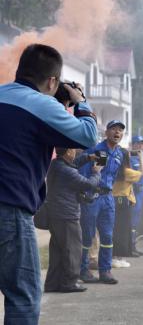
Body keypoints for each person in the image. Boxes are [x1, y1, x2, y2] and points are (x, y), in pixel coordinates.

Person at [0, 44, 97, 324]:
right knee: (23, 296)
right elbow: (87, 136)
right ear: (52, 81)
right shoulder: (41, 105)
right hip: (10, 211)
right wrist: (81, 103)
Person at [44, 148, 101, 293]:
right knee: (73, 250)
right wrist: (97, 172)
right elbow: (89, 184)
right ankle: (70, 283)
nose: (76, 153)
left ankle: (52, 283)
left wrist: (88, 157)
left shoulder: (56, 164)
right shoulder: (67, 171)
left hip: (56, 214)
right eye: (74, 150)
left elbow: (74, 163)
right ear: (68, 152)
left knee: (57, 251)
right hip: (67, 215)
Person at [78, 120, 126, 285]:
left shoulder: (119, 153)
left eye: (120, 130)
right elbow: (85, 174)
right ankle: (83, 270)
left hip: (108, 198)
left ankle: (105, 271)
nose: (117, 132)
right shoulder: (98, 151)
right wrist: (85, 194)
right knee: (88, 235)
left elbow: (112, 176)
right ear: (106, 133)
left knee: (107, 235)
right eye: (113, 129)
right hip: (93, 197)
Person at [112, 148, 143, 267]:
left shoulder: (112, 170)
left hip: (113, 200)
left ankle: (114, 257)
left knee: (114, 230)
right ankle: (117, 258)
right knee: (123, 231)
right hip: (123, 201)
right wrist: (139, 158)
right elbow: (141, 173)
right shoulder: (127, 172)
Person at [130, 135, 143, 256]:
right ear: (134, 144)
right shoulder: (130, 159)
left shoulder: (138, 159)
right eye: (139, 143)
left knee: (136, 222)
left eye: (142, 143)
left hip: (141, 192)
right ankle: (130, 247)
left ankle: (133, 246)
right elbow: (139, 175)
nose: (141, 145)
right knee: (132, 221)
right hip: (134, 192)